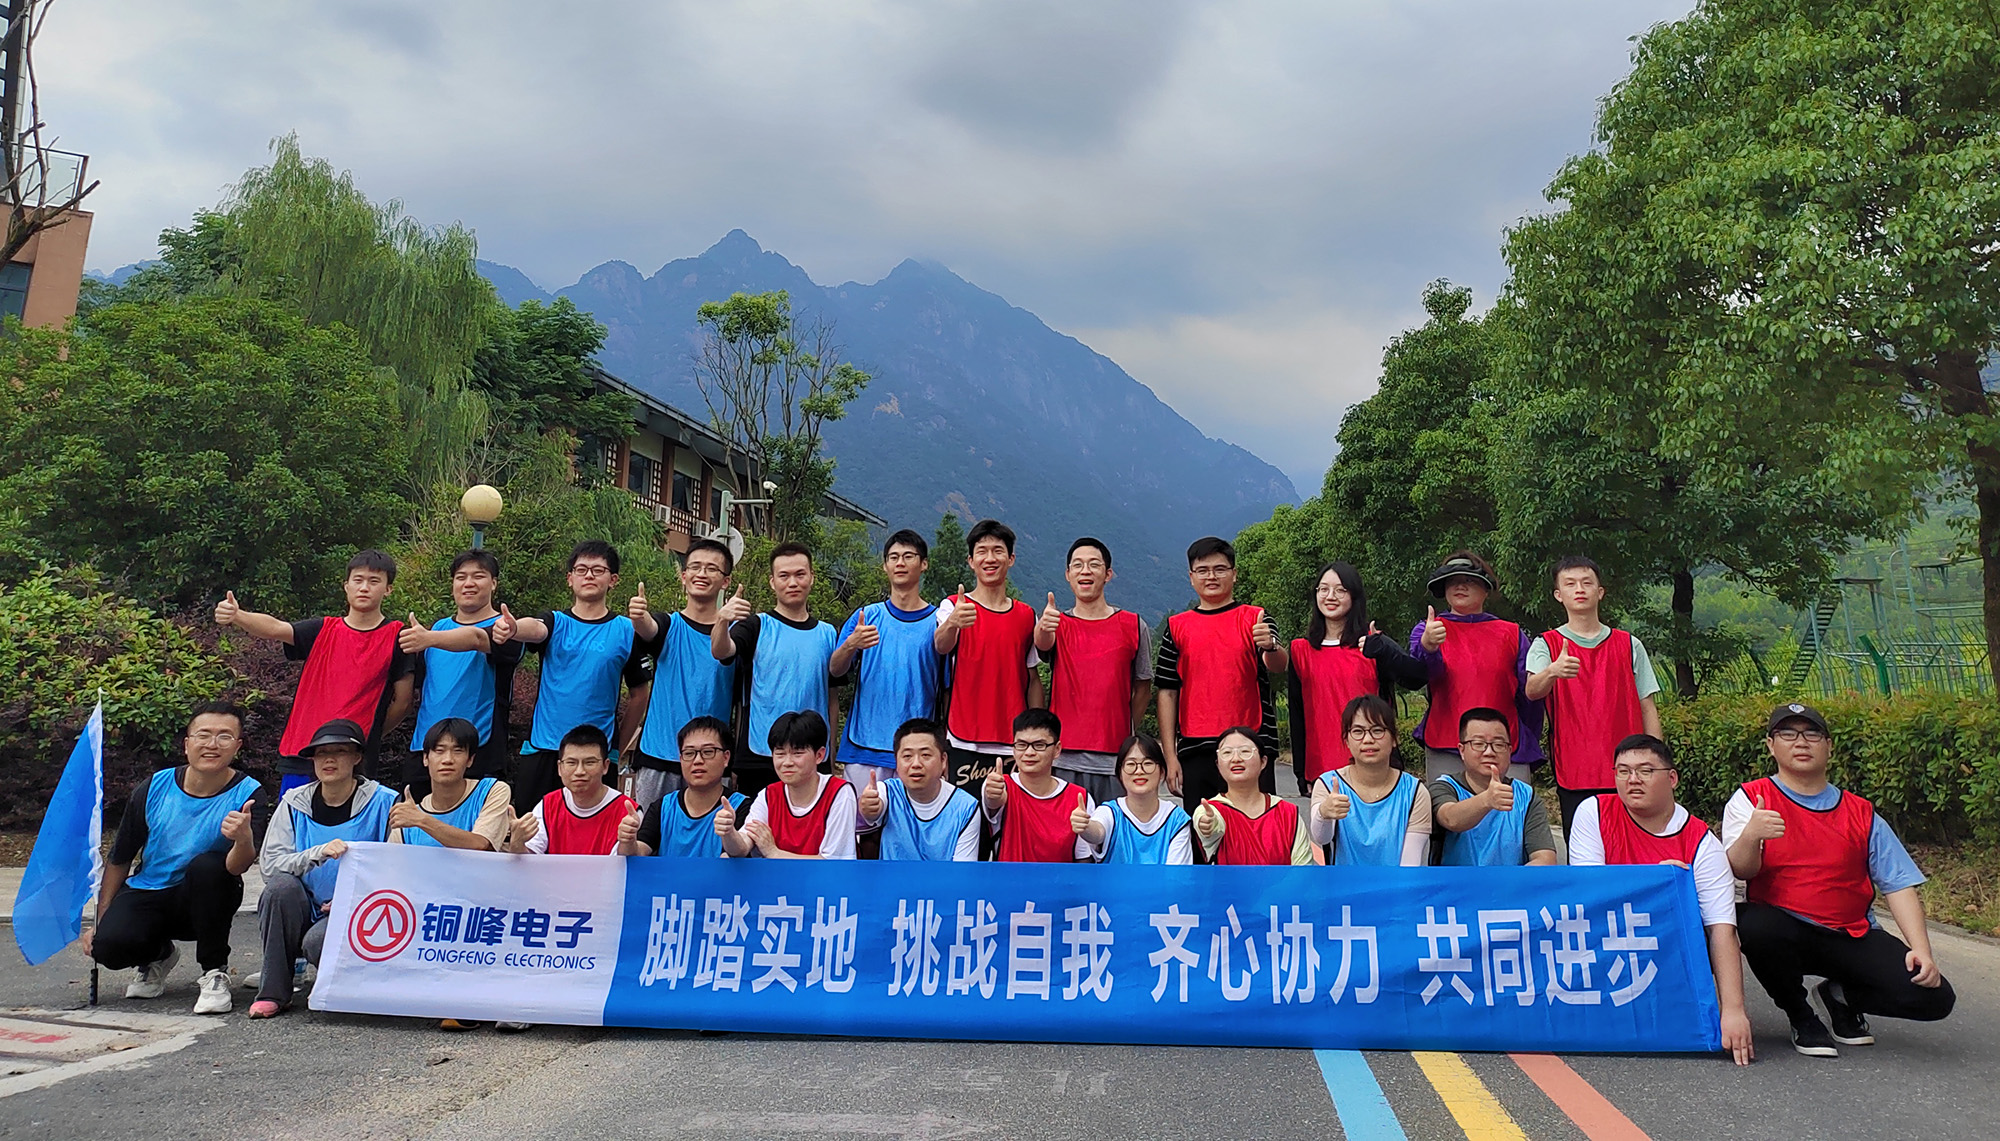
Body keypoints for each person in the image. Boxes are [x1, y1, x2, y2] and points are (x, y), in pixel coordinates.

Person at [1722, 703, 1954, 1058]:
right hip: (1785, 930)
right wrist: (1752, 835)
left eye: (1812, 734)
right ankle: (1801, 1016)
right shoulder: (1751, 799)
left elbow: (1897, 884)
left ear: (1829, 746)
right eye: (1788, 734)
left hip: (1851, 934)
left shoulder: (1860, 812)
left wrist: (1922, 950)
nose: (1801, 742)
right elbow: (1742, 870)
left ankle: (1839, 997)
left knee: (1935, 997)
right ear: (1771, 745)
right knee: (1752, 923)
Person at [1568, 734, 1754, 1066]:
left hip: (1667, 950)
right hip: (1603, 943)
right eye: (1623, 771)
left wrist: (1734, 1011)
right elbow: (1588, 894)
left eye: (1645, 771)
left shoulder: (1702, 843)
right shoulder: (1593, 811)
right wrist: (1654, 880)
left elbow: (1722, 930)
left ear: (1672, 778)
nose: (1633, 780)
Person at [214, 550, 454, 791]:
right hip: (303, 750)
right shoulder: (323, 629)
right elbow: (276, 628)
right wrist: (238, 615)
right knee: (295, 813)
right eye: (358, 580)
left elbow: (403, 703)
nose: (364, 588)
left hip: (355, 756)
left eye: (374, 581)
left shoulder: (398, 637)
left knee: (351, 815)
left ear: (388, 589)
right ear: (346, 586)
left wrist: (370, 735)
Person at [85, 702, 258, 1016]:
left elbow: (237, 866)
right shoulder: (154, 787)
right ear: (187, 743)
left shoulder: (248, 792)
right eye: (203, 735)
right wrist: (101, 917)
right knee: (107, 946)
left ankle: (214, 972)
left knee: (209, 865)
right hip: (150, 889)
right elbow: (121, 856)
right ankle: (158, 955)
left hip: (206, 897)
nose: (212, 744)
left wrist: (243, 839)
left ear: (237, 746)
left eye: (224, 736)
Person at [249, 718, 396, 1019]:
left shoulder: (385, 802)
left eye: (339, 751)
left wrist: (353, 899)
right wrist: (317, 854)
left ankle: (348, 984)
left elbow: (397, 865)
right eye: (321, 753)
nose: (329, 759)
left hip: (361, 909)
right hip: (305, 904)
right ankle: (273, 992)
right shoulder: (293, 803)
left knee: (317, 943)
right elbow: (271, 865)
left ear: (357, 757)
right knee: (279, 889)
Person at [1523, 556, 1663, 839]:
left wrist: (1658, 761)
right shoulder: (1546, 644)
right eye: (1570, 584)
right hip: (1575, 769)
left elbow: (1647, 706)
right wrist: (1553, 671)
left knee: (1635, 846)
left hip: (1630, 768)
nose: (1579, 589)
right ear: (1558, 595)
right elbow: (1532, 690)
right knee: (1583, 849)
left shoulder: (1629, 644)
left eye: (1587, 583)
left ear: (1600, 592)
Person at [507, 541, 650, 815]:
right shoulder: (555, 622)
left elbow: (639, 694)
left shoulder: (626, 630)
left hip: (595, 755)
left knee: (592, 833)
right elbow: (535, 629)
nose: (589, 576)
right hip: (544, 750)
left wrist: (617, 747)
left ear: (613, 580)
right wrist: (514, 627)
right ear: (569, 578)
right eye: (581, 569)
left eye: (598, 570)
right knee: (532, 830)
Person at [1155, 537, 1287, 812]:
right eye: (1203, 570)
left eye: (1220, 569)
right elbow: (1167, 692)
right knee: (1202, 829)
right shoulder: (1176, 627)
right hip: (1195, 748)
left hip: (1252, 744)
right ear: (1191, 577)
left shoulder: (1256, 618)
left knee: (1257, 827)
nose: (1211, 576)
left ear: (1234, 574)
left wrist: (1271, 645)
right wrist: (1170, 756)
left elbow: (1278, 665)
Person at [712, 542, 841, 799]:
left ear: (812, 577)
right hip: (761, 754)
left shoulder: (828, 633)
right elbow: (721, 651)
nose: (792, 582)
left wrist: (831, 750)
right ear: (773, 582)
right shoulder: (755, 626)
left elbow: (832, 697)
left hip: (812, 754)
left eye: (800, 574)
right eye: (784, 576)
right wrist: (723, 620)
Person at [1286, 562, 1426, 793]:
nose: (1330, 596)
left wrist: (1384, 650)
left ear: (1354, 596)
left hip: (1375, 769)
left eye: (1340, 590)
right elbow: (1297, 715)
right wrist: (1301, 773)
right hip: (1324, 772)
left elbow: (1415, 678)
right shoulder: (1301, 650)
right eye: (1323, 589)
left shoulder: (1372, 644)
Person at [1036, 537, 1154, 806]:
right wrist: (1043, 627)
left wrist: (1126, 727)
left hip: (1115, 759)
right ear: (1068, 575)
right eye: (1077, 565)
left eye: (1094, 565)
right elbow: (1041, 644)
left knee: (1111, 829)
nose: (1085, 571)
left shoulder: (1134, 625)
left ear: (1108, 574)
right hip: (1063, 758)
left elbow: (1143, 688)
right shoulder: (1057, 624)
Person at [1408, 552, 1541, 782]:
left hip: (1504, 744)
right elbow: (1420, 676)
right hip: (1447, 743)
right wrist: (1428, 646)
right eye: (1452, 581)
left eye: (1469, 580)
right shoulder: (1428, 629)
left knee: (1511, 804)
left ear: (1486, 589)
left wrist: (1526, 736)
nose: (1460, 586)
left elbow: (1530, 695)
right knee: (1446, 805)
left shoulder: (1512, 634)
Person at [628, 537, 738, 810]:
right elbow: (649, 629)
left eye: (712, 569)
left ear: (726, 581)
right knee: (650, 832)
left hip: (712, 761)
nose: (702, 574)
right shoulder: (669, 625)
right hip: (660, 755)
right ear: (684, 575)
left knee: (711, 834)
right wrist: (639, 617)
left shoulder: (735, 634)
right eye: (695, 567)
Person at [832, 530, 945, 793]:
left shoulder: (939, 622)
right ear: (885, 566)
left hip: (918, 751)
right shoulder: (867, 616)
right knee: (862, 818)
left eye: (908, 556)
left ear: (924, 564)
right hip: (864, 747)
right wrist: (850, 644)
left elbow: (949, 688)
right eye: (893, 557)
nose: (900, 563)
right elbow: (835, 670)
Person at [933, 519, 1043, 788]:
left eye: (998, 551)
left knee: (1011, 814)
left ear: (1011, 559)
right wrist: (953, 623)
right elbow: (941, 646)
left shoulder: (1027, 616)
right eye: (982, 551)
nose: (990, 558)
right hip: (963, 737)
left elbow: (1033, 679)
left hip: (1014, 741)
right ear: (971, 561)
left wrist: (1038, 733)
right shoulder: (953, 606)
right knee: (966, 813)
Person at [405, 549, 525, 790]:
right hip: (426, 751)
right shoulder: (437, 629)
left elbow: (477, 639)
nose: (468, 583)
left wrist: (429, 639)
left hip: (478, 752)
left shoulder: (505, 629)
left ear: (493, 583)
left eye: (478, 576)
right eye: (461, 577)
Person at [1307, 695, 1432, 867]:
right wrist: (1324, 813)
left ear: (1394, 738)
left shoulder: (1415, 793)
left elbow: (1410, 864)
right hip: (1342, 883)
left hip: (1396, 883)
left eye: (1377, 730)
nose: (1368, 740)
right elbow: (1322, 837)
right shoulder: (1328, 785)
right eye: (1358, 732)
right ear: (1347, 740)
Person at [1430, 707, 1557, 867]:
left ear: (1509, 751)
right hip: (1454, 883)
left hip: (1511, 882)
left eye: (1498, 744)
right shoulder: (1444, 787)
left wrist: (1512, 880)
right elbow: (1450, 819)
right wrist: (1487, 800)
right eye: (1479, 744)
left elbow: (1545, 859)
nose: (1489, 752)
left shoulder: (1526, 796)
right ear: (1462, 750)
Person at [719, 711, 856, 859]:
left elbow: (833, 862)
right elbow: (742, 848)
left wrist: (774, 852)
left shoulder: (839, 793)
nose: (787, 762)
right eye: (780, 754)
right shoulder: (768, 795)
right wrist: (729, 833)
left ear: (819, 755)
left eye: (797, 753)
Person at [620, 716, 747, 859]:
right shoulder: (663, 807)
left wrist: (729, 834)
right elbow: (638, 852)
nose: (697, 760)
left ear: (726, 758)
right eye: (689, 753)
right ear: (681, 759)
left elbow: (739, 855)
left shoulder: (741, 807)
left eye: (708, 752)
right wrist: (628, 840)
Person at [858, 718, 982, 861]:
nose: (916, 764)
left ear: (943, 760)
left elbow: (963, 869)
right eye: (907, 756)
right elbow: (872, 812)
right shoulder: (887, 791)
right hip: (892, 876)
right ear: (896, 761)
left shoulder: (966, 808)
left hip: (946, 877)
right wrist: (868, 808)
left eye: (925, 755)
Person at [504, 724, 637, 856]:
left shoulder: (628, 812)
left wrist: (628, 842)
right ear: (560, 767)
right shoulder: (547, 805)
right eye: (571, 763)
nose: (579, 771)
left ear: (605, 766)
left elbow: (626, 863)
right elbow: (528, 861)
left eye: (589, 763)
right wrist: (517, 842)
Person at [980, 709, 1095, 862]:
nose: (1029, 752)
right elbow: (993, 802)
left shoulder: (1080, 798)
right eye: (1021, 745)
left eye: (1039, 745)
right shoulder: (1001, 785)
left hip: (1061, 877)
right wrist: (993, 796)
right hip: (1009, 876)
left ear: (1057, 749)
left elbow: (1084, 859)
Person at [1191, 726, 1314, 865]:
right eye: (1227, 752)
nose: (1236, 759)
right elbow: (1211, 826)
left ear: (1263, 762)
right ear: (1218, 764)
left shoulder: (1288, 813)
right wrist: (1207, 825)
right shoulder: (1210, 810)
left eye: (1245, 751)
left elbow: (1302, 870)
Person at [389, 718, 512, 851]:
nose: (447, 760)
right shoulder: (409, 818)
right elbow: (393, 861)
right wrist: (418, 818)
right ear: (425, 758)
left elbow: (480, 845)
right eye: (439, 751)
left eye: (458, 751)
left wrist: (422, 821)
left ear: (470, 759)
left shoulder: (491, 791)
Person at [1080, 734, 1193, 865]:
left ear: (1162, 772)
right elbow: (1098, 832)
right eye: (1130, 764)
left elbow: (1175, 874)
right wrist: (1086, 827)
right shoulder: (1109, 812)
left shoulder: (1177, 819)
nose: (1139, 771)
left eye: (1148, 763)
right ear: (1120, 773)